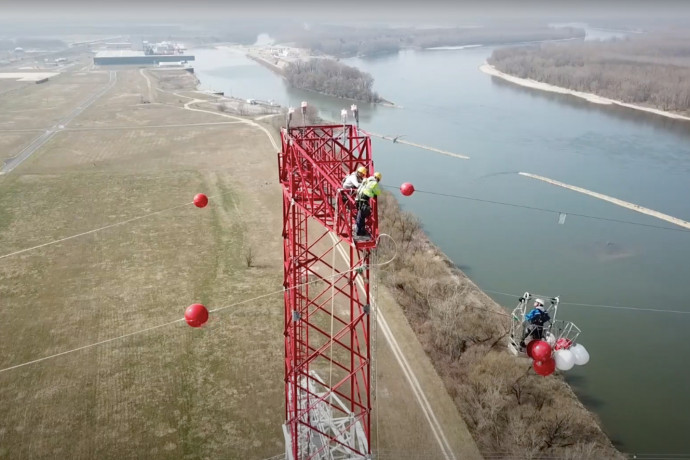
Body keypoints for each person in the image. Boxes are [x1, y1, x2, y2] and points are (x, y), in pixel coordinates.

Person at [355, 172, 382, 239]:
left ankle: (360, 230)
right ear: (377, 178)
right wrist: (373, 192)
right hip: (363, 200)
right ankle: (359, 232)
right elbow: (378, 192)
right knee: (362, 216)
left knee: (360, 215)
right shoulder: (374, 183)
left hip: (358, 199)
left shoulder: (366, 180)